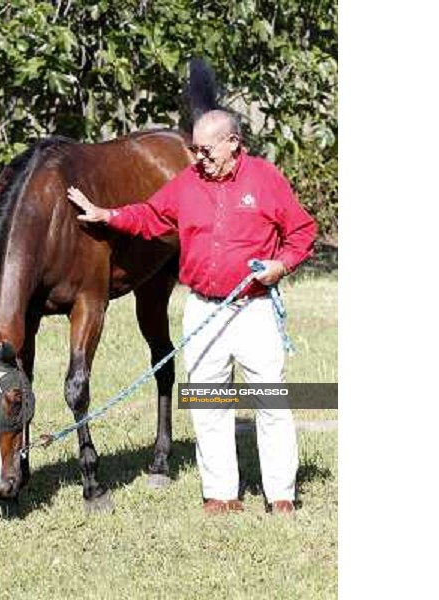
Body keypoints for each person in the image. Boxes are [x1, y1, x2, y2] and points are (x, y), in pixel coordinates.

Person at [67, 109, 317, 515]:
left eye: (205, 149)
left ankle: (281, 495)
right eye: (195, 149)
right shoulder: (188, 182)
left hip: (253, 309)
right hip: (203, 309)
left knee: (271, 403)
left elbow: (303, 231)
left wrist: (281, 265)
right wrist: (107, 215)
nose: (198, 157)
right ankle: (221, 494)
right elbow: (150, 216)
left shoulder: (265, 179)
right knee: (208, 404)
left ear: (233, 143)